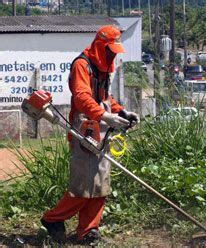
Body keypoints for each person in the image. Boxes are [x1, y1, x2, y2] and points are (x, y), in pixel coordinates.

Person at [40, 25, 139, 245]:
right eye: (110, 50)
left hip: (102, 131)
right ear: (100, 46)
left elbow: (103, 96)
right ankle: (52, 219)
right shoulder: (82, 65)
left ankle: (87, 230)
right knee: (83, 187)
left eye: (115, 51)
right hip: (83, 130)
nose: (113, 54)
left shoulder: (102, 68)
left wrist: (120, 111)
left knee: (100, 185)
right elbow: (83, 98)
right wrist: (106, 116)